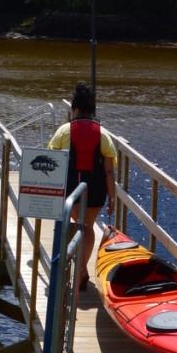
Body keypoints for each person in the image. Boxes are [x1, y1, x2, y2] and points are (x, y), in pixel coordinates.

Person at [47, 82, 117, 292]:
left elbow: (51, 159)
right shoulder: (103, 134)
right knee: (86, 227)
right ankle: (81, 270)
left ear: (74, 109)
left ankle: (69, 268)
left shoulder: (63, 132)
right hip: (95, 191)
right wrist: (112, 198)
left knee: (70, 224)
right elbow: (109, 171)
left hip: (69, 189)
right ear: (93, 110)